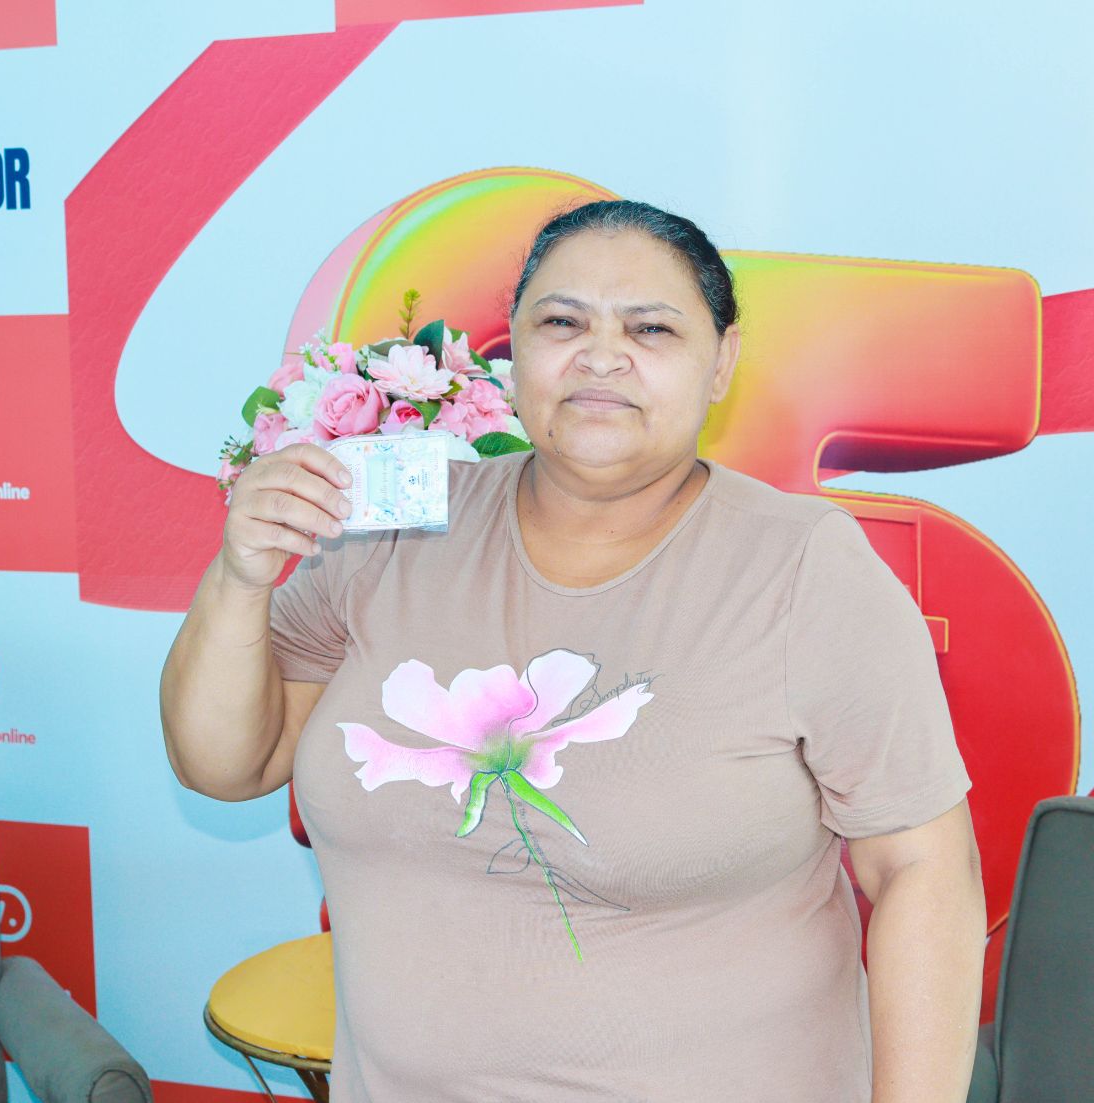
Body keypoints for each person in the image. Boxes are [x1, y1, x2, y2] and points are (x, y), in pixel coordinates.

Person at [161, 200, 985, 1102]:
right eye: (562, 322)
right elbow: (225, 764)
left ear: (722, 362)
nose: (600, 355)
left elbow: (922, 871)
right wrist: (240, 574)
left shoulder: (803, 568)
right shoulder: (398, 528)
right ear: (514, 347)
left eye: (651, 328)